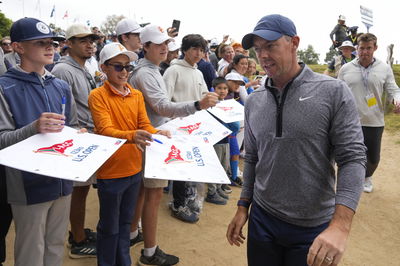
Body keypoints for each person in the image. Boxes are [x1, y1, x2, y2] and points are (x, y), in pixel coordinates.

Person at [226, 14, 367, 266]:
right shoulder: (255, 101)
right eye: (258, 49)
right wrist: (242, 206)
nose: (263, 55)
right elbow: (253, 158)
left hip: (312, 228)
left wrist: (341, 226)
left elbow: (353, 158)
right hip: (262, 221)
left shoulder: (333, 92)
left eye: (270, 46)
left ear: (294, 43)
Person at [129, 25, 217, 265]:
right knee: (153, 194)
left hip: (153, 133)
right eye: (158, 44)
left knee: (144, 192)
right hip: (153, 137)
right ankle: (149, 252)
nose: (164, 48)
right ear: (145, 46)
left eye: (166, 43)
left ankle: (133, 234)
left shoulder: (152, 69)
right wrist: (197, 105)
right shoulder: (147, 72)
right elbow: (162, 107)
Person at [0, 17, 78, 266]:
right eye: (41, 42)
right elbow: (1, 140)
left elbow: (74, 126)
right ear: (18, 47)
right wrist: (33, 128)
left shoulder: (61, 85)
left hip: (62, 181)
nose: (50, 47)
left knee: (55, 245)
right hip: (27, 184)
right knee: (31, 249)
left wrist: (79, 134)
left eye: (52, 43)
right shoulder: (4, 87)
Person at [88, 42, 169, 266]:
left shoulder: (136, 95)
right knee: (109, 226)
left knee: (125, 223)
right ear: (104, 68)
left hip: (134, 168)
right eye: (118, 67)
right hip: (111, 172)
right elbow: (104, 129)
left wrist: (157, 131)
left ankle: (123, 261)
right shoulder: (97, 96)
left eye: (128, 67)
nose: (124, 72)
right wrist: (135, 136)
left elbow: (144, 123)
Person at [51, 23, 99, 259]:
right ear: (68, 43)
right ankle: (78, 240)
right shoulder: (63, 70)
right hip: (77, 138)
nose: (89, 44)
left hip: (88, 136)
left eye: (91, 40)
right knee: (77, 192)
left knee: (82, 190)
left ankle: (78, 232)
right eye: (82, 40)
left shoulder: (83, 67)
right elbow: (62, 113)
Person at [338, 33, 400, 193]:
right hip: (350, 122)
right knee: (348, 155)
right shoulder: (346, 69)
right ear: (356, 49)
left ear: (375, 48)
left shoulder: (384, 69)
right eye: (361, 48)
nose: (364, 52)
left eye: (368, 48)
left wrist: (397, 100)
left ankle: (367, 176)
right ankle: (350, 182)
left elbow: (393, 89)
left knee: (373, 159)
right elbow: (338, 93)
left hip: (374, 121)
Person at [163, 33, 212, 223]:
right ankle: (177, 203)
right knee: (180, 165)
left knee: (191, 163)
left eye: (201, 50)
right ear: (184, 50)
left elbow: (204, 96)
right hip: (177, 125)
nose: (198, 53)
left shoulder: (198, 72)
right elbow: (164, 102)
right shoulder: (173, 71)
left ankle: (189, 197)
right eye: (194, 49)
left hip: (195, 126)